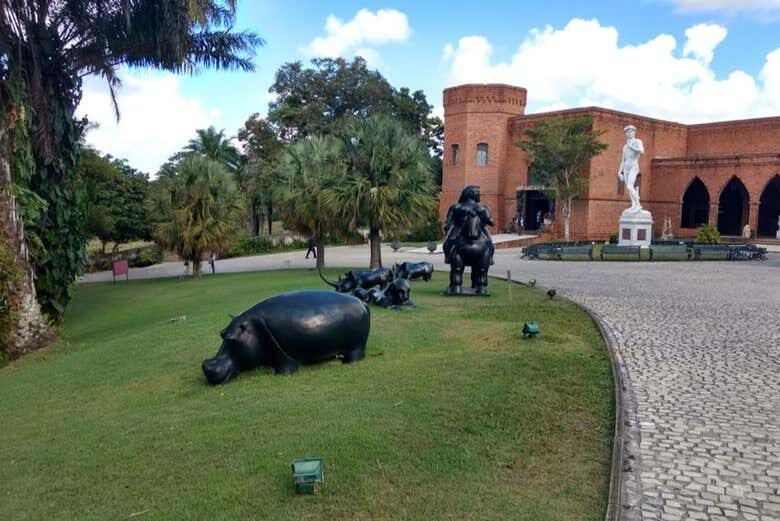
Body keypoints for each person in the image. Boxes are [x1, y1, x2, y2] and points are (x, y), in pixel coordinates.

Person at [618, 124, 645, 212]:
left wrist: (631, 146)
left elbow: (641, 151)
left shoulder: (637, 141)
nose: (629, 133)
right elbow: (623, 160)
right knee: (629, 188)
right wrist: (619, 172)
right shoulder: (625, 146)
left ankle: (638, 204)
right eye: (627, 132)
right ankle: (634, 205)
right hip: (626, 168)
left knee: (630, 186)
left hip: (633, 166)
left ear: (634, 132)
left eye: (631, 131)